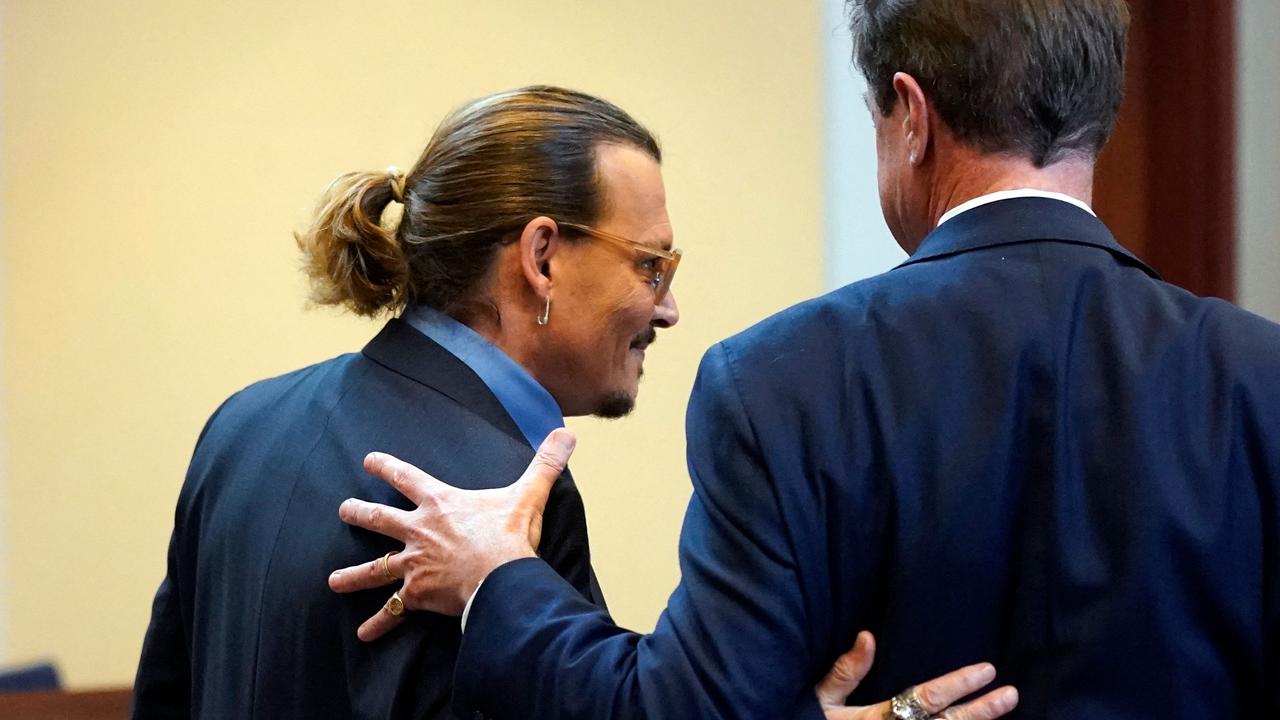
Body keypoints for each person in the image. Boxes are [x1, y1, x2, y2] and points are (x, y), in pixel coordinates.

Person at [328, 0, 1280, 718]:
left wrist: (500, 582)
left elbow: (690, 707)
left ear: (911, 117)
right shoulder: (1257, 376)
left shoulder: (783, 378)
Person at [132, 86, 678, 718]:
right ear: (542, 258)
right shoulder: (507, 499)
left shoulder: (242, 424)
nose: (666, 308)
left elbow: (164, 699)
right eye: (650, 266)